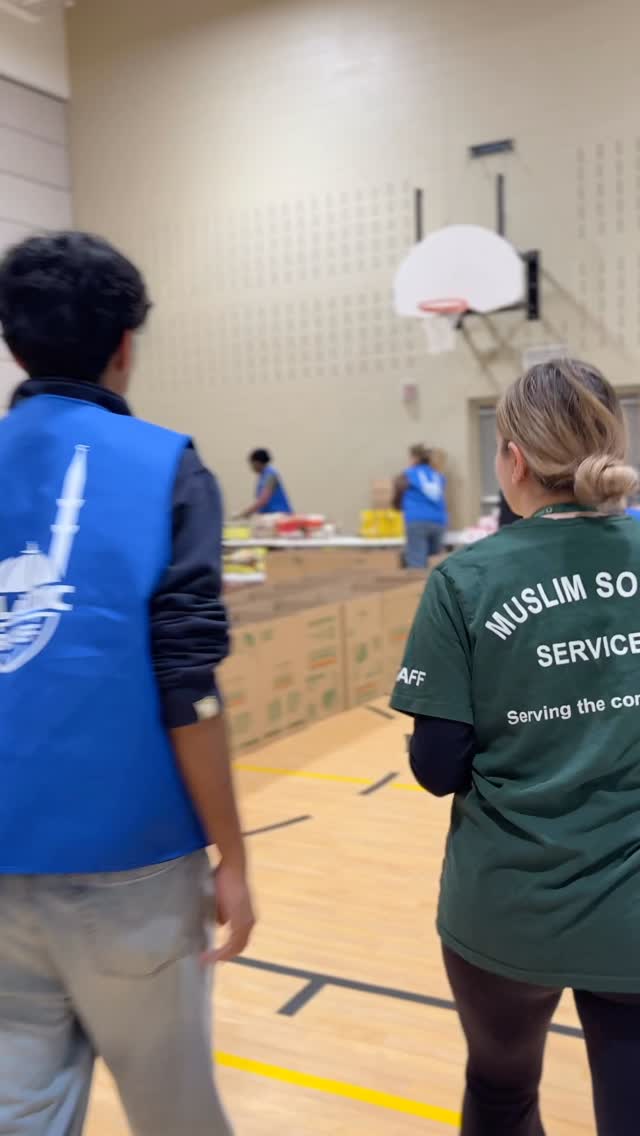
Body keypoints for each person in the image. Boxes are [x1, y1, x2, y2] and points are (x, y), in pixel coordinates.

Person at [0, 231, 255, 1136]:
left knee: (21, 1110)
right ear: (124, 346)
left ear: (14, 342)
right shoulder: (165, 466)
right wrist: (232, 854)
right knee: (175, 1108)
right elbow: (188, 681)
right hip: (130, 859)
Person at [392, 358, 640, 1136]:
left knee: (502, 1097)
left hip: (506, 912)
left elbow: (437, 769)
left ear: (514, 457)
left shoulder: (466, 580)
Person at [394, 444, 448, 568]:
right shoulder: (438, 476)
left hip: (416, 520)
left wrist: (398, 506)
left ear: (415, 458)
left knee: (416, 562)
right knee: (434, 560)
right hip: (438, 522)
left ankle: (417, 586)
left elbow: (398, 494)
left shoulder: (408, 475)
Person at [238, 447, 293, 518]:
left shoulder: (271, 475)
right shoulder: (262, 476)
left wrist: (245, 513)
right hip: (269, 515)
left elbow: (263, 500)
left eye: (252, 464)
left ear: (257, 462)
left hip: (279, 515)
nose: (251, 467)